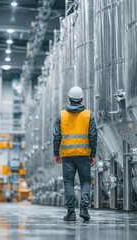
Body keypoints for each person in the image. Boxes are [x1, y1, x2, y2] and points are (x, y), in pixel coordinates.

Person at [53, 86, 97, 221]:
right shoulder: (89, 115)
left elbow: (56, 136)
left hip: (67, 155)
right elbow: (93, 135)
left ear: (69, 99)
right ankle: (84, 208)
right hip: (83, 154)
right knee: (85, 181)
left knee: (68, 182)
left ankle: (71, 212)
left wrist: (56, 153)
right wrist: (93, 154)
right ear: (82, 99)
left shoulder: (61, 115)